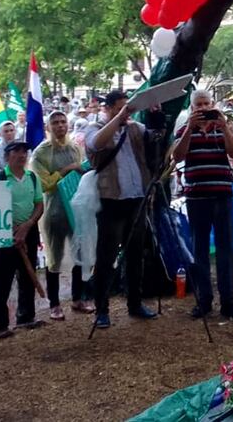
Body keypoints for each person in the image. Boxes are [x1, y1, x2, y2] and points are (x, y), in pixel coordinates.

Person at [85, 90, 163, 329]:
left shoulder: (135, 128)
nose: (126, 113)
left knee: (135, 254)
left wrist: (156, 117)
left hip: (136, 198)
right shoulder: (95, 127)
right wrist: (119, 119)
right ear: (108, 108)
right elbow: (95, 144)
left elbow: (155, 138)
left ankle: (135, 303)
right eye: (120, 108)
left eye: (127, 108)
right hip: (111, 200)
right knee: (106, 257)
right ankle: (102, 309)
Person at [173, 90, 233, 321]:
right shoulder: (185, 130)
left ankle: (228, 302)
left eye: (206, 104)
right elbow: (178, 156)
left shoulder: (222, 127)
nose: (203, 108)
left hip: (222, 195)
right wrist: (190, 129)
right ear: (192, 108)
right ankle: (204, 300)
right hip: (196, 198)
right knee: (199, 250)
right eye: (199, 105)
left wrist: (224, 127)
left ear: (213, 105)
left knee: (226, 249)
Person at [30, 111, 93, 319]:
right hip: (54, 210)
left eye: (63, 122)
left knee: (80, 254)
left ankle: (78, 298)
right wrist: (67, 169)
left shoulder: (75, 148)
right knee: (54, 258)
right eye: (55, 122)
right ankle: (54, 304)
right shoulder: (41, 153)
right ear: (48, 127)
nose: (60, 126)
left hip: (76, 209)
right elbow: (44, 184)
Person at [0, 141, 44, 337]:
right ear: (6, 156)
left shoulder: (33, 178)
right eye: (16, 151)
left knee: (28, 276)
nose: (21, 155)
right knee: (1, 280)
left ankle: (26, 317)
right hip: (5, 235)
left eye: (24, 152)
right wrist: (13, 229)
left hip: (29, 232)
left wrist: (27, 225)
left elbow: (39, 205)